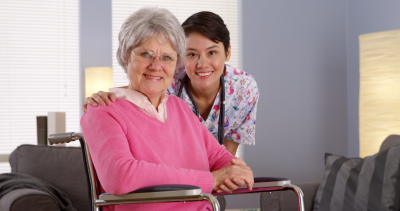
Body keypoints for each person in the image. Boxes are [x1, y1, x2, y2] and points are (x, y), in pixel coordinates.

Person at [80, 7, 253, 211]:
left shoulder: (179, 107)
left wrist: (238, 169)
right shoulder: (103, 110)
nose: (156, 66)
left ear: (176, 65)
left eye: (167, 58)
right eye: (146, 54)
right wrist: (209, 180)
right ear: (126, 58)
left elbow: (218, 157)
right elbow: (120, 176)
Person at [83, 11, 259, 157]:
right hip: (175, 172)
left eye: (212, 52)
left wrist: (221, 174)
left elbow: (226, 159)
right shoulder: (170, 79)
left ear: (227, 53)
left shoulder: (245, 89)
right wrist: (108, 98)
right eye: (191, 54)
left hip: (203, 177)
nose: (202, 64)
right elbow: (139, 89)